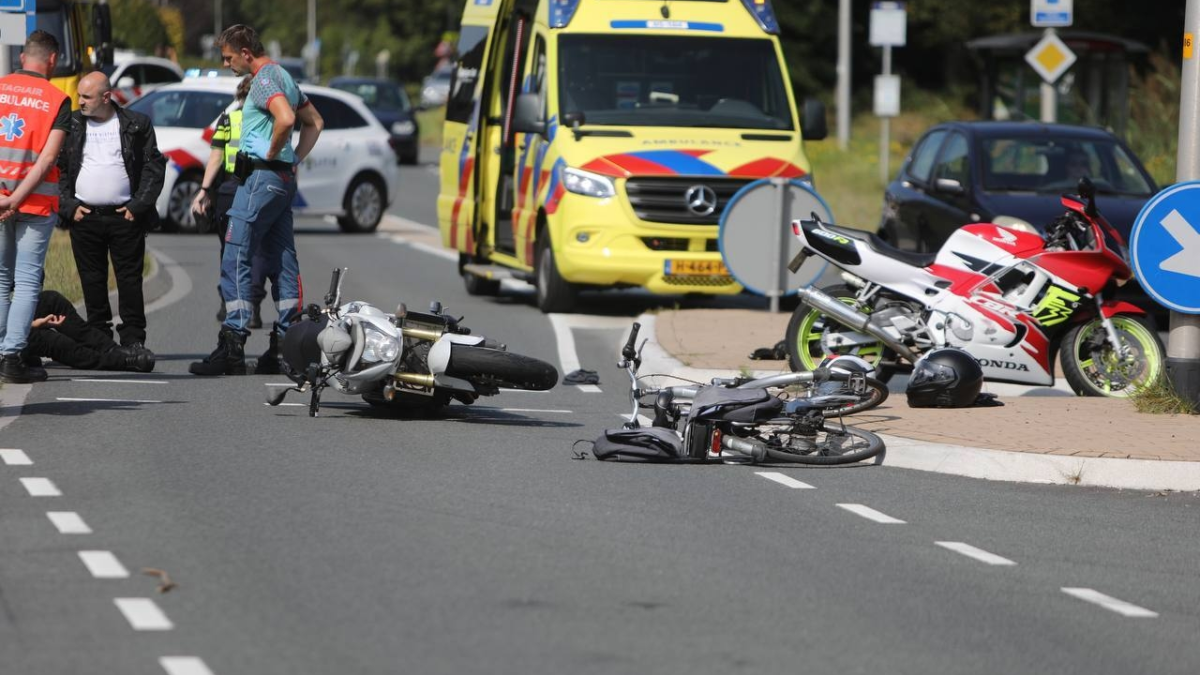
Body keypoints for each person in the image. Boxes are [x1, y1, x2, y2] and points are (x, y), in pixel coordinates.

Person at [190, 24, 324, 376]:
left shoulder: (263, 79)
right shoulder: (285, 76)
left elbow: (287, 118)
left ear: (246, 53)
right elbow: (316, 122)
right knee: (282, 258)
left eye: (228, 57)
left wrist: (273, 152)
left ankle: (232, 343)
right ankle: (285, 345)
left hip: (262, 177)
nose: (226, 64)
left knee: (236, 251)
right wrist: (292, 159)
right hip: (281, 180)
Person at [57, 71, 165, 363]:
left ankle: (133, 339)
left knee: (129, 280)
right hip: (85, 217)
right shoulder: (73, 125)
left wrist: (138, 206)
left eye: (87, 97)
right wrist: (68, 206)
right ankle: (100, 339)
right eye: (79, 95)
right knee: (92, 280)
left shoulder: (136, 124)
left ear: (106, 97)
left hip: (124, 217)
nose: (80, 102)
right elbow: (60, 170)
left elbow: (153, 169)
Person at [0, 30, 71, 384]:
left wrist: (4, 195)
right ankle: (11, 357)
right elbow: (47, 160)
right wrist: (18, 198)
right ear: (53, 60)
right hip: (36, 203)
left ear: (23, 56)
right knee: (26, 282)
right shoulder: (57, 99)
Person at [191, 75, 275, 331]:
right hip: (261, 188)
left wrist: (205, 189)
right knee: (258, 250)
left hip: (229, 189)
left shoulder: (229, 119)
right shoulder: (271, 121)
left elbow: (216, 155)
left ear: (240, 96)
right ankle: (253, 309)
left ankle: (229, 303)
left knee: (229, 250)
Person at [27, 290, 154, 373]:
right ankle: (121, 361)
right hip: (10, 336)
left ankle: (109, 348)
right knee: (54, 341)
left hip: (13, 320)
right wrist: (30, 325)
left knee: (51, 300)